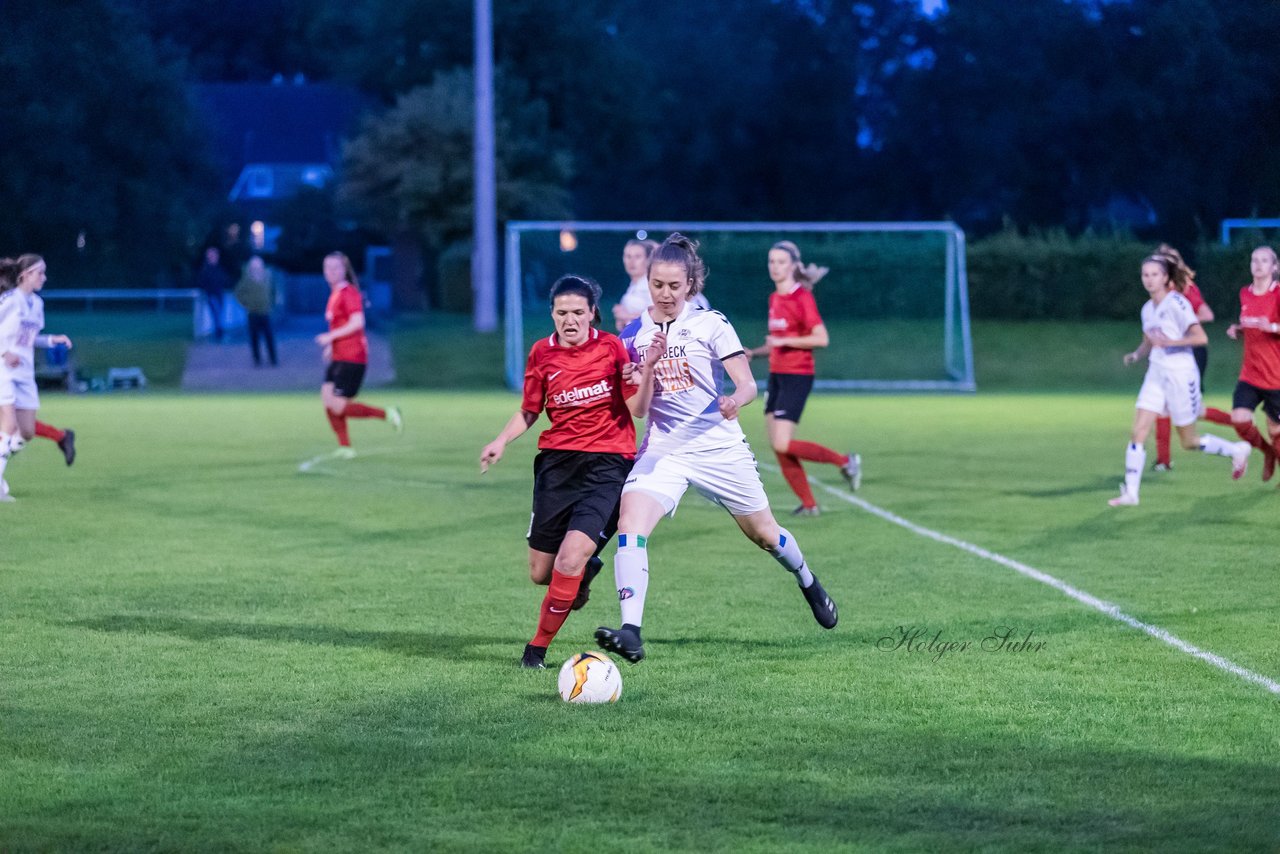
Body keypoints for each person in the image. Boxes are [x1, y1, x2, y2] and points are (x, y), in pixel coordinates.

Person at [595, 233, 838, 664]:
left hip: (717, 445)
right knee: (631, 521)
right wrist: (646, 367)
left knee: (764, 535)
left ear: (690, 284)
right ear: (647, 282)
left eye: (674, 285)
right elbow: (638, 409)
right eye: (657, 285)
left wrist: (734, 401)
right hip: (664, 449)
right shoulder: (634, 333)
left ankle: (807, 580)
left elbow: (746, 384)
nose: (665, 294)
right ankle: (631, 630)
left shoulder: (712, 323)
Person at [480, 275, 637, 669]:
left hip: (607, 463)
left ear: (592, 314)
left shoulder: (611, 348)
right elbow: (530, 410)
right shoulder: (541, 353)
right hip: (556, 466)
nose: (570, 320)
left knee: (568, 561)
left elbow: (637, 404)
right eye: (562, 312)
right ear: (552, 313)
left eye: (578, 312)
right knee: (541, 573)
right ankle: (584, 573)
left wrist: (638, 376)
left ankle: (535, 651)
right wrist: (501, 441)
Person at [1109, 255, 1251, 507]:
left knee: (1188, 441)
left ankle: (1236, 450)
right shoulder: (1147, 308)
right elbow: (1150, 338)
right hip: (1156, 373)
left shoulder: (1177, 303)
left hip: (1181, 374)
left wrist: (1171, 343)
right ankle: (1131, 493)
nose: (1149, 279)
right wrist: (1137, 354)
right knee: (1138, 431)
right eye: (1145, 275)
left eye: (1154, 274)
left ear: (1165, 278)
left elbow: (1200, 338)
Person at [746, 240, 860, 515]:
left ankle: (845, 461)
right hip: (777, 375)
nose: (775, 267)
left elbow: (821, 338)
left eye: (781, 262)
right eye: (771, 261)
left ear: (794, 266)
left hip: (797, 375)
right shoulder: (774, 298)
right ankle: (809, 505)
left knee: (783, 442)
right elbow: (777, 342)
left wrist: (784, 340)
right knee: (778, 447)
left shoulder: (801, 298)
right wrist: (754, 353)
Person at [1150, 244, 1233, 470]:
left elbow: (1207, 314)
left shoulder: (1185, 288)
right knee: (1166, 406)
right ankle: (1164, 460)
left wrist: (1183, 322)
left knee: (1191, 410)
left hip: (1190, 352)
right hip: (1173, 354)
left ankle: (1239, 423)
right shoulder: (1164, 290)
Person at [0, 255, 76, 502]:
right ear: (24, 275)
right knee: (8, 427)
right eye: (39, 273)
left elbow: (28, 338)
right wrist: (4, 351)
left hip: (24, 371)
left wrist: (52, 339)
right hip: (3, 368)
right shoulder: (9, 301)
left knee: (27, 431)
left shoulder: (37, 304)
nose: (44, 277)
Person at [315, 251, 401, 456]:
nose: (331, 272)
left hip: (352, 357)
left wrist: (330, 337)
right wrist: (331, 346)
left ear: (344, 270)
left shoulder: (349, 293)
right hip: (339, 355)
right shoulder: (335, 294)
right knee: (327, 398)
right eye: (327, 267)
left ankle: (387, 414)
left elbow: (357, 323)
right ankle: (345, 447)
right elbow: (342, 323)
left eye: (336, 268)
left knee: (337, 404)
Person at [1224, 246, 1280, 483]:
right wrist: (1237, 329)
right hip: (1250, 373)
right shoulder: (1244, 293)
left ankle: (1273, 454)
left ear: (1274, 267)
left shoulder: (1278, 294)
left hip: (1275, 376)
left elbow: (1271, 326)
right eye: (1254, 260)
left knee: (1275, 430)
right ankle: (1267, 453)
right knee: (1239, 419)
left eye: (1264, 260)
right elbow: (1249, 321)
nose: (1258, 264)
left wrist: (1275, 328)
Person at [611, 238, 710, 332]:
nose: (631, 262)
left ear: (648, 259)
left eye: (637, 257)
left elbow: (666, 314)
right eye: (628, 256)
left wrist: (625, 316)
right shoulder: (633, 287)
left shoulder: (654, 286)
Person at [234, 255, 279, 367]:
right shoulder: (247, 278)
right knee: (254, 338)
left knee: (269, 337)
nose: (256, 267)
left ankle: (273, 359)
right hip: (252, 313)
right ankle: (257, 360)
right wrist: (246, 304)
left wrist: (271, 305)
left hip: (265, 312)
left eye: (258, 264)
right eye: (254, 265)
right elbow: (238, 293)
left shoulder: (268, 276)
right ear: (251, 266)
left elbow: (273, 292)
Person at [196, 246, 231, 341]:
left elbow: (225, 280)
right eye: (212, 255)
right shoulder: (206, 269)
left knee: (219, 315)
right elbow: (201, 282)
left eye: (215, 255)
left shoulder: (219, 268)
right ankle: (219, 335)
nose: (214, 257)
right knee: (217, 315)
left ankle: (219, 334)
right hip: (211, 295)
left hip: (220, 295)